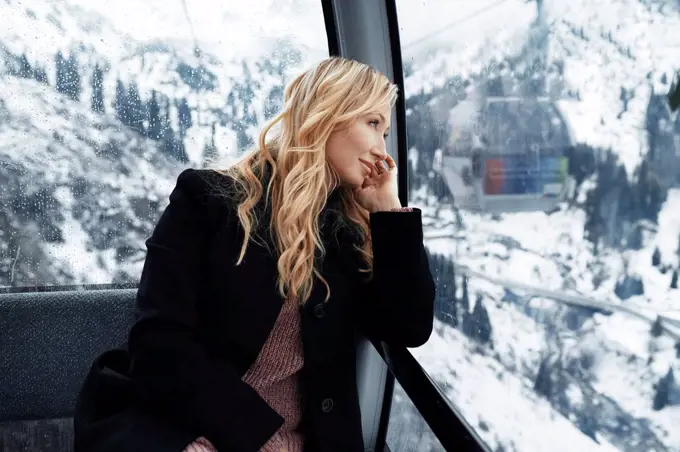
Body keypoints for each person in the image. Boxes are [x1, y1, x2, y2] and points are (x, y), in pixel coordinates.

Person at [73, 56, 435, 452]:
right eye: (372, 124)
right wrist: (255, 433)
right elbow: (159, 346)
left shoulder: (345, 237)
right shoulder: (207, 202)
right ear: (329, 113)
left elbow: (409, 329)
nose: (381, 148)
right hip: (184, 428)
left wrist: (388, 211)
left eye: (384, 130)